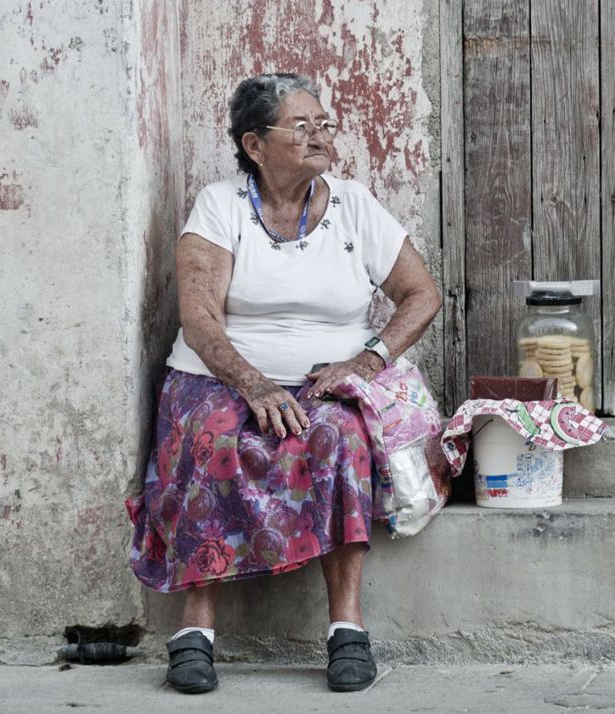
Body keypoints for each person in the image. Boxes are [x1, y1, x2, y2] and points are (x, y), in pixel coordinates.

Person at [125, 73, 442, 695]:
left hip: (327, 380)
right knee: (215, 439)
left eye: (324, 123)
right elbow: (199, 316)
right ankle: (195, 629)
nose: (322, 136)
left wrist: (367, 362)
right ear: (254, 144)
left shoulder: (355, 204)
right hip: (218, 375)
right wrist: (253, 385)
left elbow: (420, 294)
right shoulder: (220, 207)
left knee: (340, 437)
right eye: (302, 126)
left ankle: (347, 626)